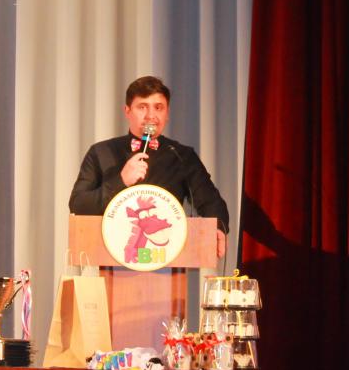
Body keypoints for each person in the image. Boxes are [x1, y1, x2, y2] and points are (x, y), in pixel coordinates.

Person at [69, 76, 229, 257]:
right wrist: (120, 181)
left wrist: (218, 227)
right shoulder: (101, 152)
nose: (151, 116)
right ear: (127, 111)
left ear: (167, 114)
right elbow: (78, 205)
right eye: (142, 107)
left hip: (167, 258)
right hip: (111, 255)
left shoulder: (181, 155)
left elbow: (211, 202)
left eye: (158, 107)